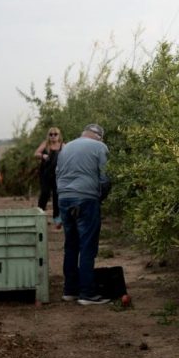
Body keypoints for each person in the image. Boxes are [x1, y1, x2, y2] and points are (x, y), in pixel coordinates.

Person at [56, 123, 111, 305]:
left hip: (64, 198)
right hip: (86, 199)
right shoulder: (100, 147)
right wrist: (100, 197)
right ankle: (87, 293)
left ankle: (70, 290)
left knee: (71, 245)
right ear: (98, 136)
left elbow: (57, 174)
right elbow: (105, 178)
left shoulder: (65, 147)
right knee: (87, 245)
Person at [34, 126, 65, 224]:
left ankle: (57, 218)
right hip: (45, 173)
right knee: (45, 193)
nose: (53, 136)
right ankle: (40, 216)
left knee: (57, 195)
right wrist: (43, 155)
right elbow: (36, 154)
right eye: (51, 134)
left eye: (55, 134)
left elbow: (69, 156)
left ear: (59, 135)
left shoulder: (63, 145)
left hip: (58, 174)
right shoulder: (45, 144)